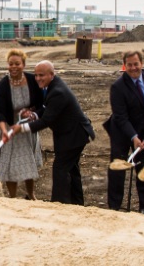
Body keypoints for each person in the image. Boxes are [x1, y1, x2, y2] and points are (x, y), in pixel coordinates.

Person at [11, 61, 94, 205]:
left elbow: (45, 122)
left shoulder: (57, 92)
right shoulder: (52, 87)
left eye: (41, 75)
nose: (37, 78)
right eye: (36, 75)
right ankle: (77, 203)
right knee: (72, 169)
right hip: (71, 134)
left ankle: (58, 203)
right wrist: (33, 115)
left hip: (74, 135)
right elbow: (45, 109)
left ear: (51, 74)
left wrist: (21, 129)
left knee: (60, 169)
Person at [103, 51, 144, 215]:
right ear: (125, 66)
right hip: (122, 133)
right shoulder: (118, 87)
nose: (133, 68)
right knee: (118, 168)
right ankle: (114, 207)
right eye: (129, 65)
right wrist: (133, 137)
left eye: (136, 64)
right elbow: (121, 117)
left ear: (141, 64)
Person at [0, 49, 44, 199]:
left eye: (17, 64)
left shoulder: (32, 80)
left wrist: (31, 112)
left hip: (25, 127)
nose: (13, 67)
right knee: (9, 163)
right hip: (7, 125)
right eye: (11, 64)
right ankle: (12, 196)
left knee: (28, 160)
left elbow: (42, 104)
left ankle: (31, 195)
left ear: (23, 65)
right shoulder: (3, 84)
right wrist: (4, 130)